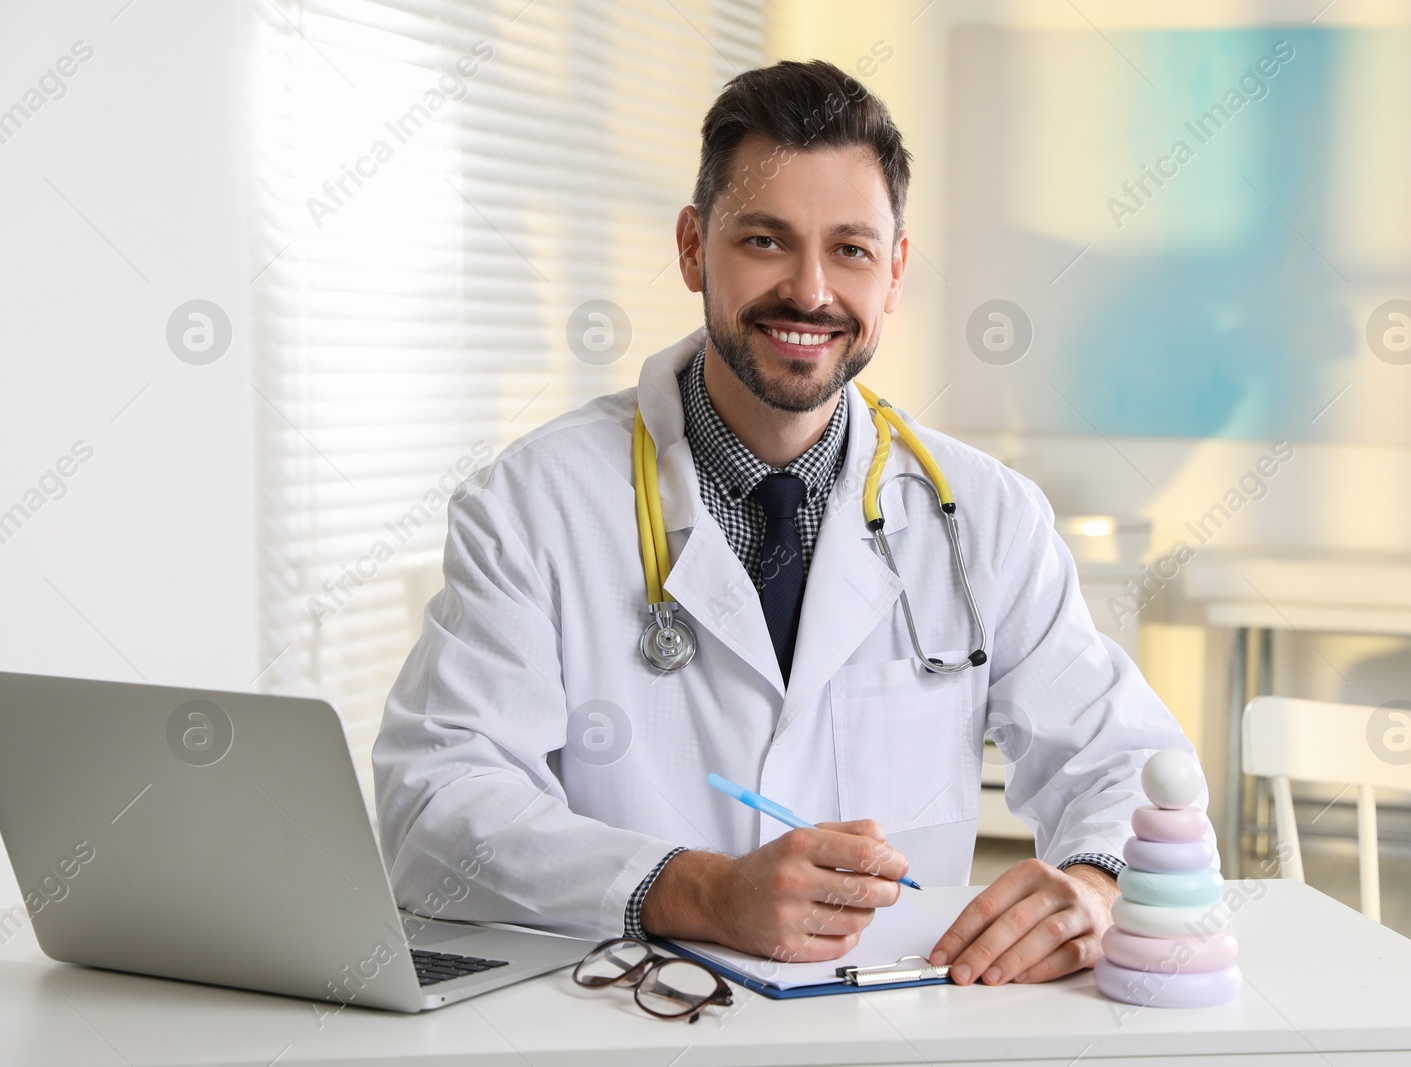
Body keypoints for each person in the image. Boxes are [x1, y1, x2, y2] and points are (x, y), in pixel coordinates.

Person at [373, 58, 1201, 989]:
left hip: (899, 1022)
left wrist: (1093, 886)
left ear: (893, 272)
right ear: (693, 247)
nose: (809, 292)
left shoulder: (987, 515)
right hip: (633, 1021)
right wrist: (696, 889)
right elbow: (431, 810)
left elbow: (1130, 764)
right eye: (765, 241)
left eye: (849, 249)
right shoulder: (531, 505)